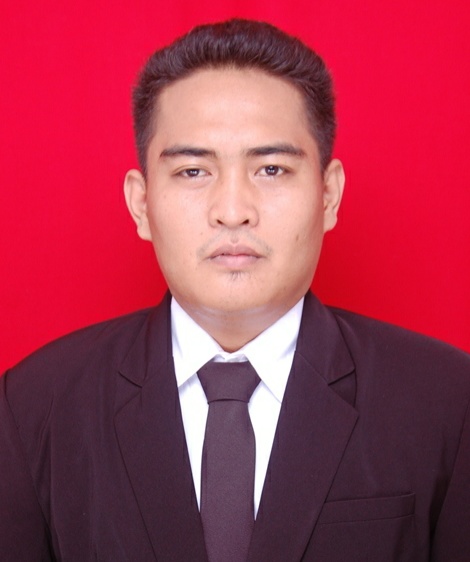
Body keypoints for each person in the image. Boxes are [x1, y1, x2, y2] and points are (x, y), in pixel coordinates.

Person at [1, 18, 469, 562]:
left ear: (328, 195)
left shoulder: (447, 401)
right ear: (141, 203)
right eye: (193, 171)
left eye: (271, 169)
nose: (232, 211)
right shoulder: (33, 406)